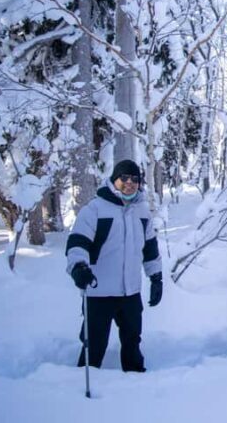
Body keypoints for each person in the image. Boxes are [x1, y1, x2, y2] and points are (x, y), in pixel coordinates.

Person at [65, 159, 163, 372]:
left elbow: (150, 249)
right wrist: (78, 267)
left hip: (131, 291)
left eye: (134, 179)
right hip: (99, 291)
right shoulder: (96, 209)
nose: (129, 183)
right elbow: (78, 242)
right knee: (95, 343)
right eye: (124, 178)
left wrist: (156, 277)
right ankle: (82, 388)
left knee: (132, 341)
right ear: (114, 180)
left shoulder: (142, 212)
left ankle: (136, 379)